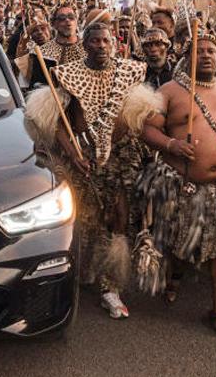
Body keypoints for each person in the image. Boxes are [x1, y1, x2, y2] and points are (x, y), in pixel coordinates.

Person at [25, 22, 148, 319]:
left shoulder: (129, 73)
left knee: (118, 218)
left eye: (106, 40)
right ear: (85, 43)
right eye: (94, 41)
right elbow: (53, 124)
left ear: (113, 43)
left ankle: (110, 286)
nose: (101, 46)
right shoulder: (69, 75)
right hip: (81, 158)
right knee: (80, 220)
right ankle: (71, 277)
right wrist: (74, 154)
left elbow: (140, 117)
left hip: (120, 159)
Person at [137, 32, 216, 341]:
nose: (207, 56)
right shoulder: (170, 91)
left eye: (212, 51)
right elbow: (147, 129)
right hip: (181, 185)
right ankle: (174, 275)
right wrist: (171, 143)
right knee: (176, 243)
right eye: (200, 51)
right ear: (188, 58)